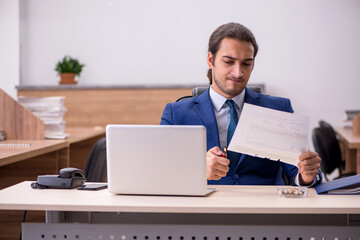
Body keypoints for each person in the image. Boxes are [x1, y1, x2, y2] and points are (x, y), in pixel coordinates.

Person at [160, 22, 322, 186]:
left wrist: (306, 176)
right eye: (229, 61)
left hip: (264, 207)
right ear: (211, 60)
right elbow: (160, 174)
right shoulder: (176, 115)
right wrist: (198, 170)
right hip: (207, 208)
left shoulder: (278, 109)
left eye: (246, 63)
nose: (238, 73)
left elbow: (297, 172)